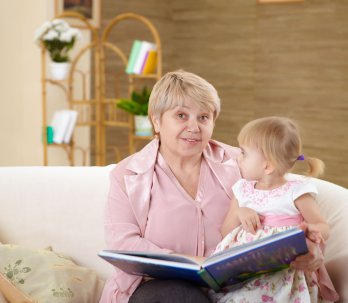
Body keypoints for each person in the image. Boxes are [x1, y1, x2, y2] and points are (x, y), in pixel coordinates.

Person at [99, 71, 324, 303]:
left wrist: (310, 251)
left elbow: (285, 207)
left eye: (204, 117)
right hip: (157, 288)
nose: (194, 127)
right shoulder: (126, 175)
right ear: (157, 120)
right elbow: (123, 244)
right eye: (181, 115)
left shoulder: (244, 163)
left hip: (234, 288)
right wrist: (194, 262)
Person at [209, 116, 339, 303]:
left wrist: (315, 231)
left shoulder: (296, 191)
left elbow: (322, 226)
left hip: (281, 272)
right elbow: (225, 233)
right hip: (244, 271)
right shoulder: (241, 190)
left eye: (244, 153)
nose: (238, 158)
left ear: (267, 166)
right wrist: (240, 212)